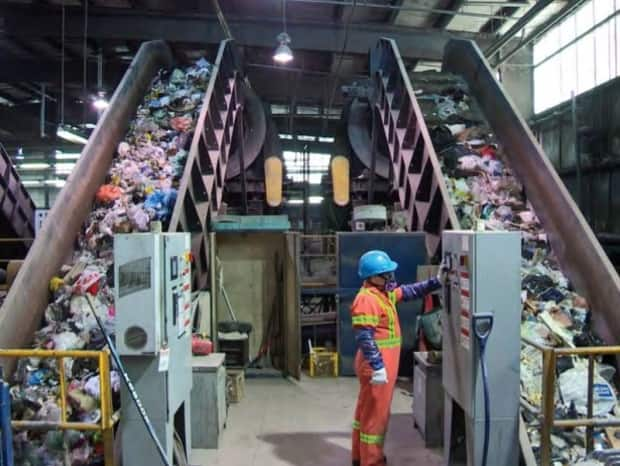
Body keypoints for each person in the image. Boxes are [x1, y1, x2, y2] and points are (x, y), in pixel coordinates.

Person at [351, 250, 444, 466]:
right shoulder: (366, 299)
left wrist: (436, 282)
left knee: (365, 412)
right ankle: (372, 461)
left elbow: (410, 291)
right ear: (372, 277)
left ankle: (359, 457)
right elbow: (364, 336)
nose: (390, 278)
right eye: (385, 274)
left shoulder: (382, 293)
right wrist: (377, 367)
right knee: (377, 416)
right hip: (377, 365)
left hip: (379, 363)